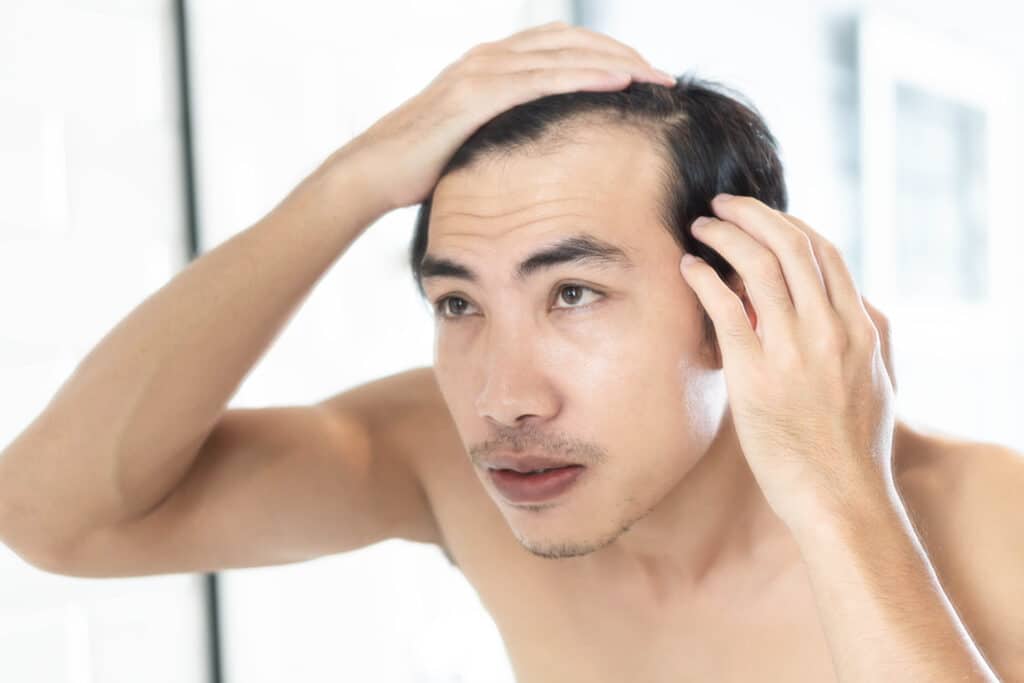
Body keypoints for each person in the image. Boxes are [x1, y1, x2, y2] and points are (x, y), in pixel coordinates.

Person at [0, 21, 1019, 682]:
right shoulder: (442, 460)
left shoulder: (986, 518)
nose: (500, 395)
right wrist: (345, 186)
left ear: (742, 299)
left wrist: (841, 496)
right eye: (456, 300)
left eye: (572, 292)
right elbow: (55, 519)